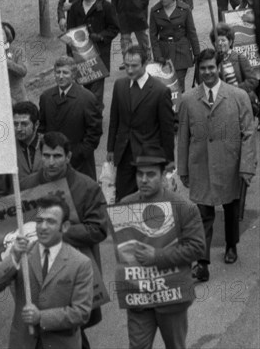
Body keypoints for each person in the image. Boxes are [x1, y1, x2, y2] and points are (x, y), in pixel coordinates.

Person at [178, 48, 256, 282]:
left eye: (211, 67)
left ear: (219, 68)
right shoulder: (188, 99)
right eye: (203, 68)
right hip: (200, 164)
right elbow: (183, 136)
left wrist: (246, 166)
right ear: (198, 70)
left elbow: (249, 133)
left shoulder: (238, 96)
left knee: (231, 209)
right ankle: (202, 263)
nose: (208, 72)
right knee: (203, 214)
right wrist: (182, 168)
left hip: (229, 163)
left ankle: (231, 245)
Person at [24, 132, 108, 349]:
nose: (51, 162)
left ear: (69, 156)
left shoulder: (87, 186)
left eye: (57, 156)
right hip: (37, 272)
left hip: (72, 273)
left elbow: (98, 229)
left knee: (71, 324)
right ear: (40, 156)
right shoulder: (26, 186)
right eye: (46, 155)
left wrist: (58, 233)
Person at [120, 149, 205, 349]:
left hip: (172, 295)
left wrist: (157, 256)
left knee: (175, 345)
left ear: (162, 175)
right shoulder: (125, 206)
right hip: (139, 297)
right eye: (140, 174)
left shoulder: (184, 207)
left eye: (150, 174)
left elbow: (197, 247)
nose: (144, 180)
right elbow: (122, 248)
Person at [0, 195, 93, 349]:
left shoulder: (80, 263)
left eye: (50, 221)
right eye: (40, 221)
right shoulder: (22, 253)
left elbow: (81, 313)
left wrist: (41, 318)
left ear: (65, 227)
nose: (42, 227)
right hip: (23, 343)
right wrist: (13, 257)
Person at [107, 44, 175, 201]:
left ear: (145, 64)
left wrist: (169, 160)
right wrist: (111, 148)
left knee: (149, 200)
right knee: (123, 200)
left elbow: (167, 129)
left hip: (149, 156)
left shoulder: (160, 91)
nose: (130, 70)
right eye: (127, 65)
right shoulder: (119, 85)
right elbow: (114, 119)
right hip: (124, 154)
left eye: (134, 66)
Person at [39, 56, 102, 180]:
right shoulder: (46, 97)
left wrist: (78, 153)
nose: (61, 76)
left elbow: (94, 132)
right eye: (58, 72)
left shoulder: (87, 98)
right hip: (53, 163)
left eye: (65, 72)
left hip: (80, 164)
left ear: (73, 75)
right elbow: (42, 127)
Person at [67, 0, 119, 109]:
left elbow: (114, 28)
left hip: (98, 56)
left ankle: (95, 120)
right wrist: (70, 55)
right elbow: (70, 30)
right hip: (80, 56)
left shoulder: (106, 7)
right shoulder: (75, 8)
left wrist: (101, 36)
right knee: (83, 90)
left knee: (96, 93)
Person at [150, 0, 200, 93]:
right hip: (164, 53)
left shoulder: (185, 9)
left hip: (181, 51)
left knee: (179, 85)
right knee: (165, 87)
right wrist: (157, 56)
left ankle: (179, 109)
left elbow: (192, 32)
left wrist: (197, 54)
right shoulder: (154, 11)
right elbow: (153, 36)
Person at [0, 101, 42, 197]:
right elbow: (1, 189)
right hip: (17, 207)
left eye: (24, 124)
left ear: (36, 125)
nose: (18, 128)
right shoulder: (6, 149)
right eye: (15, 124)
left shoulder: (49, 144)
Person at [2, 22, 27, 104]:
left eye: (1, 34)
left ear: (7, 36)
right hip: (2, 101)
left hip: (18, 99)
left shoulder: (17, 51)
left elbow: (23, 71)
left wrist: (7, 62)